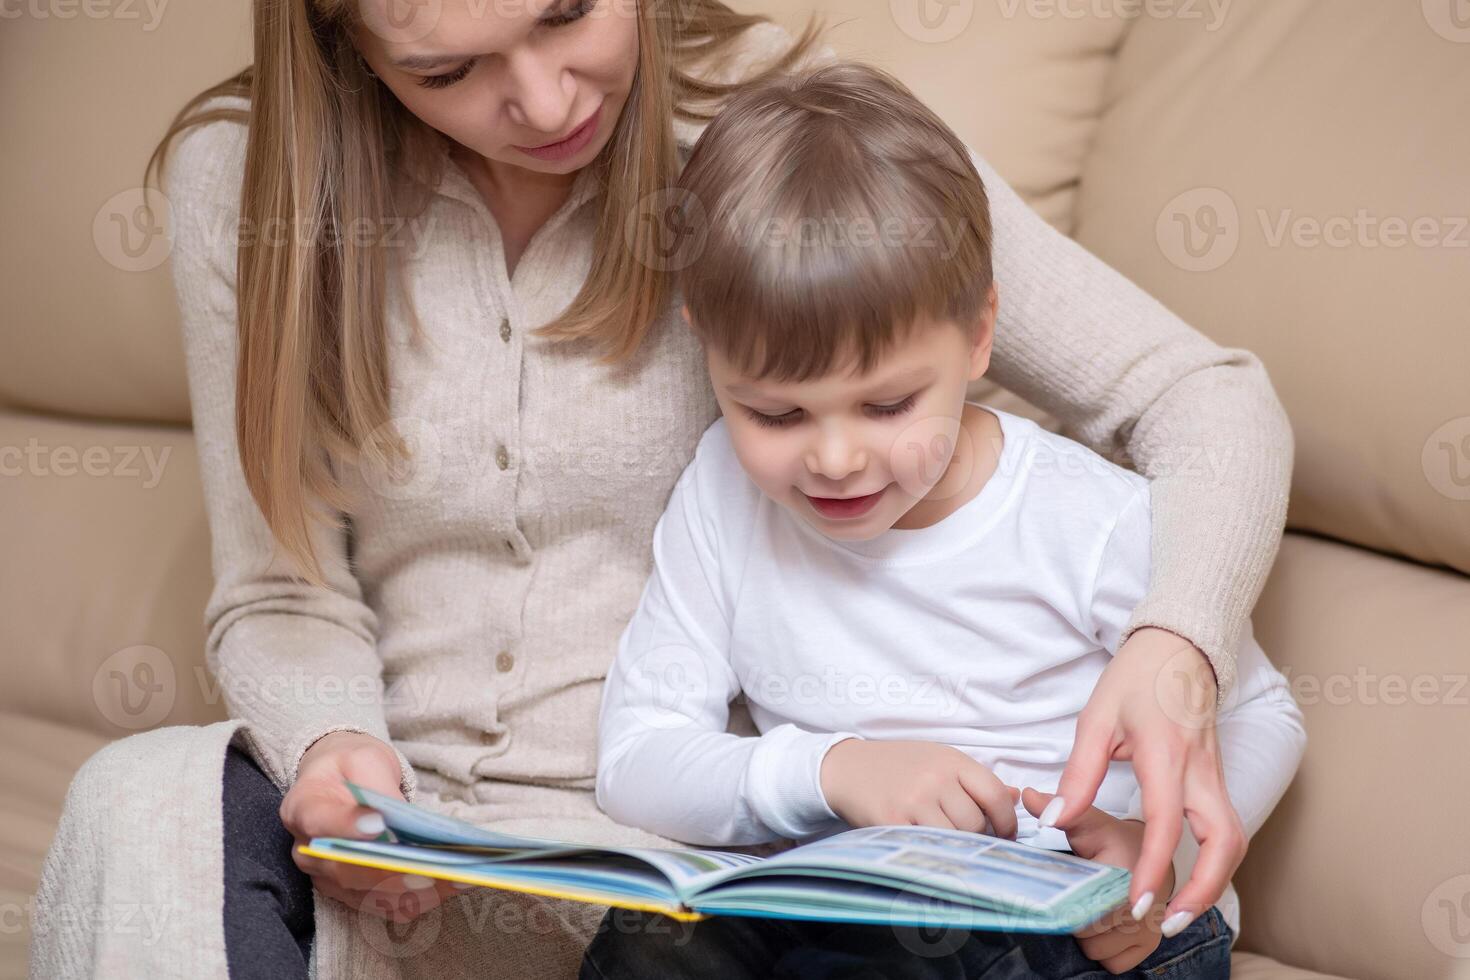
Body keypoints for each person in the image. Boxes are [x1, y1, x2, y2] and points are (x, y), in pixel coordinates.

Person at [31, 2, 1294, 978]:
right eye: (445, 70)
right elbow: (278, 587)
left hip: (670, 891)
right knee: (134, 796)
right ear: (345, 45)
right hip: (385, 873)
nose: (539, 100)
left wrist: (1177, 644)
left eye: (568, 11)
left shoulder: (773, 155)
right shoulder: (245, 181)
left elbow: (1204, 396)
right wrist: (331, 753)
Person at [586, 63, 1305, 978]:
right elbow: (640, 759)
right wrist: (832, 771)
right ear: (708, 348)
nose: (835, 459)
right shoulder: (721, 493)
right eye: (775, 414)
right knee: (646, 945)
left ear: (978, 335)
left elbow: (1263, 713)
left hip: (1075, 908)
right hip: (838, 895)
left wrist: (1161, 855)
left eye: (887, 407)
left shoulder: (1083, 518)